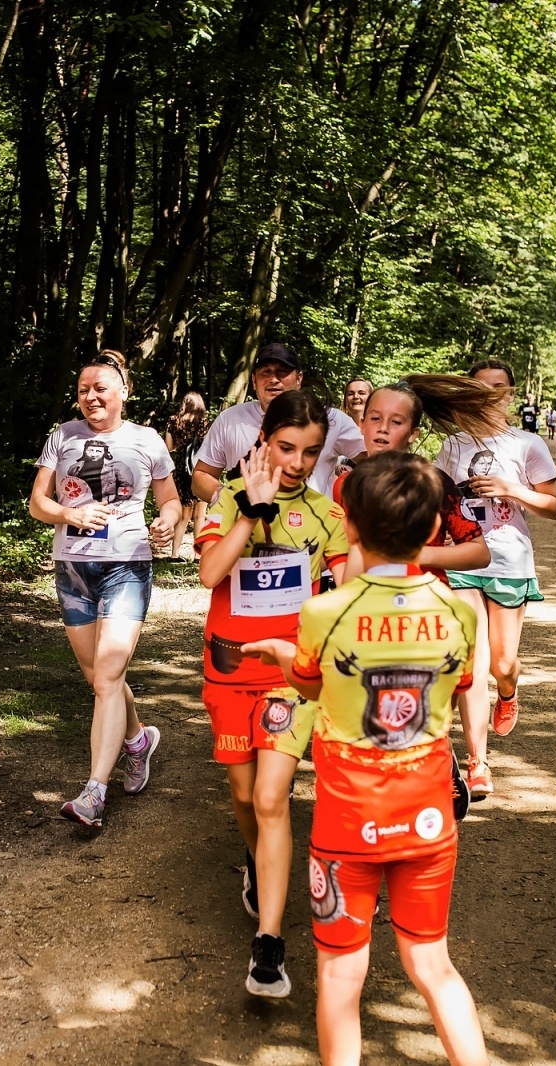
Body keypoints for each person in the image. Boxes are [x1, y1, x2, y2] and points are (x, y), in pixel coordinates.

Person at [245, 453, 488, 1066]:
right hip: (428, 819)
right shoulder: (460, 610)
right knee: (433, 965)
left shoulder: (325, 612)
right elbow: (458, 684)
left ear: (349, 526)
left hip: (346, 825)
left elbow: (307, 686)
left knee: (339, 975)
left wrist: (282, 655)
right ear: (436, 528)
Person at [194, 390, 349, 999]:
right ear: (263, 440)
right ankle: (261, 867)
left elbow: (349, 588)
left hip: (290, 671)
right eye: (287, 448)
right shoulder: (226, 497)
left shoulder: (327, 512)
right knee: (242, 794)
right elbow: (210, 574)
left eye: (311, 452)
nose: (298, 462)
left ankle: (269, 945)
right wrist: (252, 512)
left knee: (270, 795)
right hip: (229, 666)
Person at [30, 350, 182, 829]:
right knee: (99, 678)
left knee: (109, 673)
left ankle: (94, 792)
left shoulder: (147, 439)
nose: (91, 397)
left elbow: (171, 500)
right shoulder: (63, 436)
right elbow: (37, 502)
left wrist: (167, 521)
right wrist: (68, 513)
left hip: (126, 564)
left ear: (124, 392)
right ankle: (138, 740)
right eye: (83, 390)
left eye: (100, 388)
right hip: (73, 568)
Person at [437, 359, 556, 799]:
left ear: (510, 394)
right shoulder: (452, 444)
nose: (490, 395)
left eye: (499, 388)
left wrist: (510, 488)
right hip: (463, 560)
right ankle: (478, 763)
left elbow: (553, 506)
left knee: (502, 664)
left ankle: (508, 692)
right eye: (480, 388)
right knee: (472, 661)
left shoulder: (527, 443)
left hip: (509, 561)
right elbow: (438, 498)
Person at [345, 376, 500, 581]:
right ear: (362, 424)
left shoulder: (433, 482)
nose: (383, 428)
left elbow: (479, 553)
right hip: (366, 599)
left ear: (413, 433)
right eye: (375, 418)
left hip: (426, 597)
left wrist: (408, 555)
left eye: (396, 422)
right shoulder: (346, 485)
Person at [190, 343, 366, 502]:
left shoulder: (330, 419)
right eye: (265, 372)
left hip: (312, 525)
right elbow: (201, 475)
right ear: (254, 380)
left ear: (299, 379)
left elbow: (372, 461)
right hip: (247, 524)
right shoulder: (230, 420)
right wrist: (230, 500)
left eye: (282, 372)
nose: (273, 379)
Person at [164, 391, 211, 560]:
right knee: (200, 514)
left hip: (181, 470)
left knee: (184, 515)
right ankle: (199, 555)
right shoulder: (204, 422)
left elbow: (169, 447)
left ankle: (174, 554)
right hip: (201, 469)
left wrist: (182, 445)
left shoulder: (173, 421)